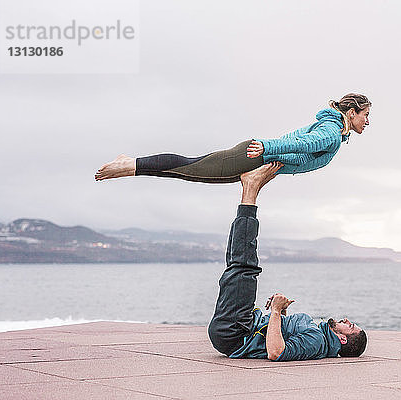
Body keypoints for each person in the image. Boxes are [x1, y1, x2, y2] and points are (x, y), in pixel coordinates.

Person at [208, 162, 367, 361]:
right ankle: (250, 190)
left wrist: (274, 311)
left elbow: (276, 352)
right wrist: (281, 313)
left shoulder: (316, 340)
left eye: (350, 325)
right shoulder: (318, 335)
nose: (346, 320)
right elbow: (279, 339)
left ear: (343, 339)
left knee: (244, 267)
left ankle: (251, 189)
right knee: (238, 265)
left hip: (236, 332)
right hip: (242, 325)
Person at [94, 93, 371, 183]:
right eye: (365, 114)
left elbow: (298, 150)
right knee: (191, 167)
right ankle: (129, 164)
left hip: (258, 159)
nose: (367, 121)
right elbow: (303, 144)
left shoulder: (334, 130)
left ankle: (131, 166)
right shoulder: (333, 132)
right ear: (352, 111)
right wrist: (268, 147)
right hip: (256, 154)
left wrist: (275, 165)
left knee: (191, 174)